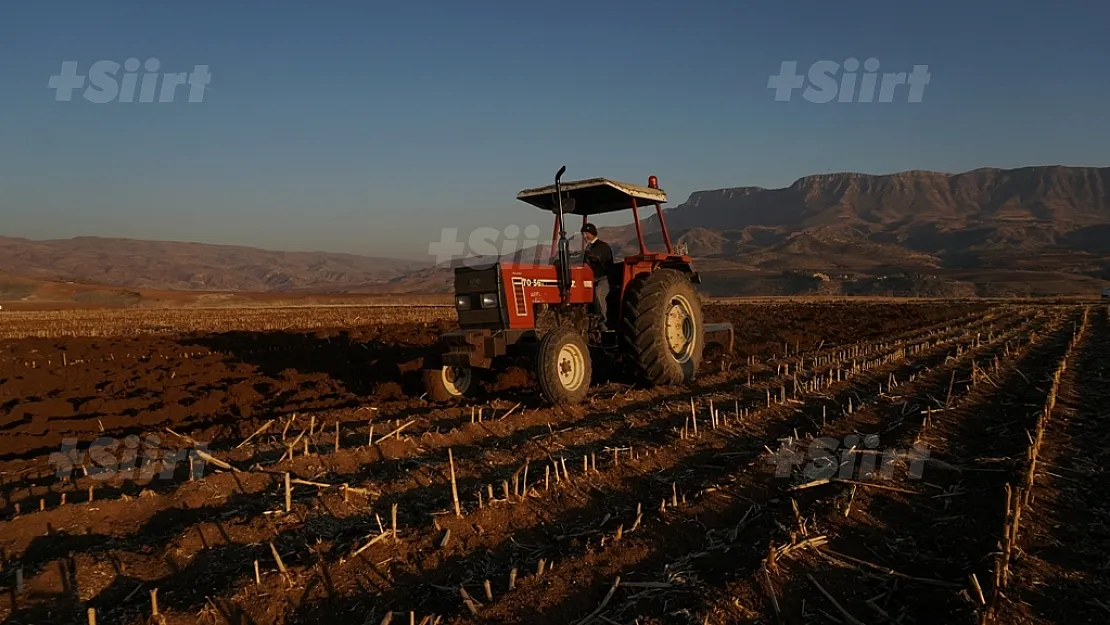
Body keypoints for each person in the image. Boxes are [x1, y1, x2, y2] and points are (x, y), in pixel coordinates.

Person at [580, 223, 616, 329]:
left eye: (586, 233)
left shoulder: (601, 247)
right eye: (583, 234)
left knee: (599, 293)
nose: (584, 236)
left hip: (604, 278)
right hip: (591, 278)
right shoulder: (589, 247)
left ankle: (603, 322)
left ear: (592, 233)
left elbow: (592, 256)